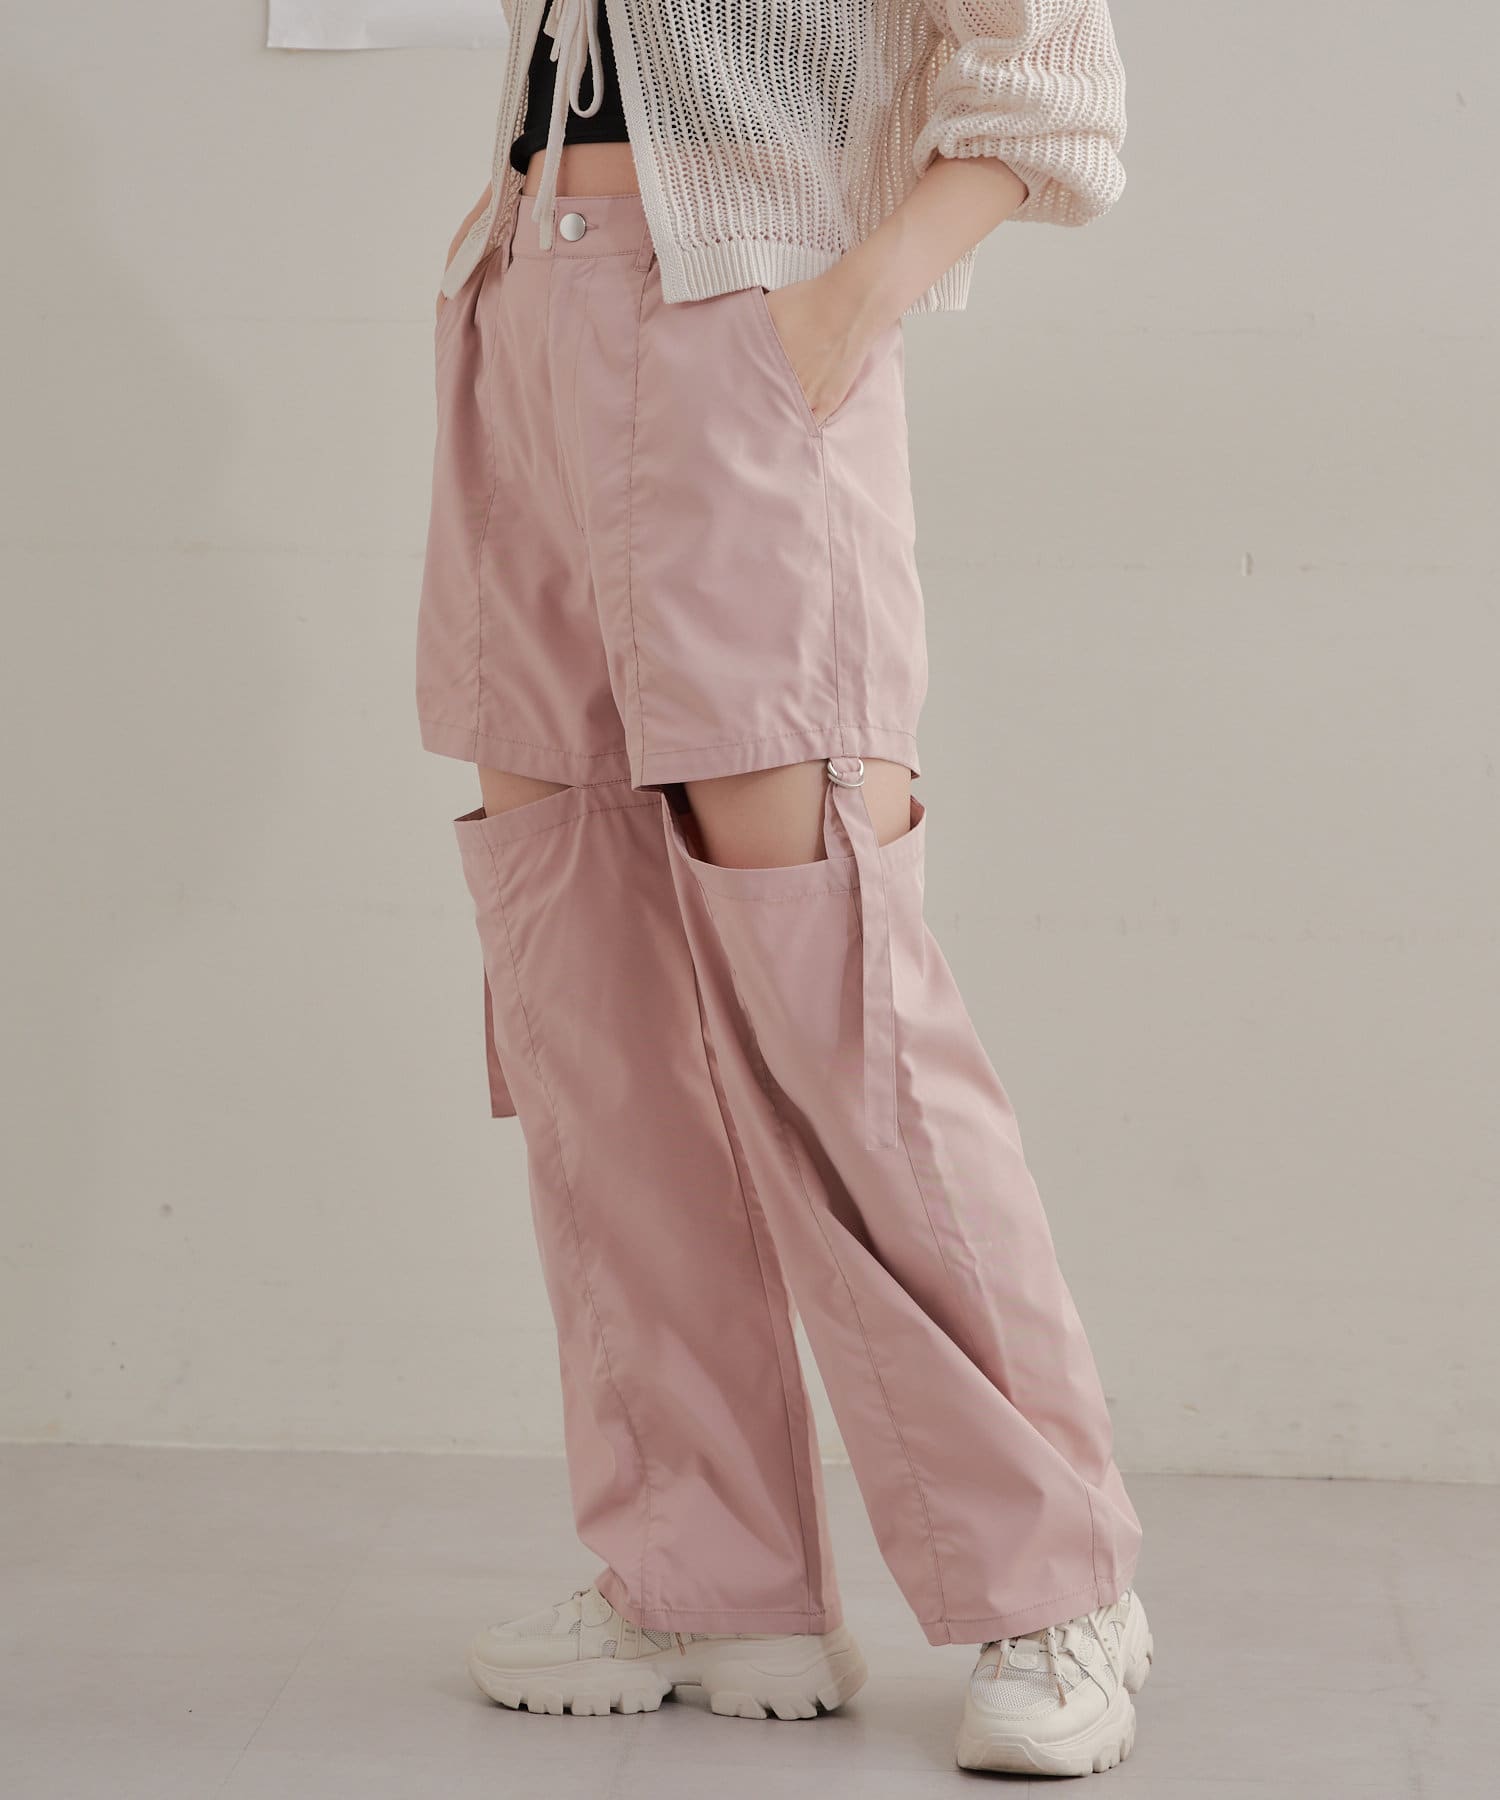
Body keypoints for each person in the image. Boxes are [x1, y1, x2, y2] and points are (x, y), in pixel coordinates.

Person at [416, 0, 1151, 1777]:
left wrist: (840, 307)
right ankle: (706, 1573)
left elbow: (1052, 75)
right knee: (588, 992)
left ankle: (1056, 1585)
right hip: (521, 310)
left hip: (736, 324)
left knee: (831, 987)